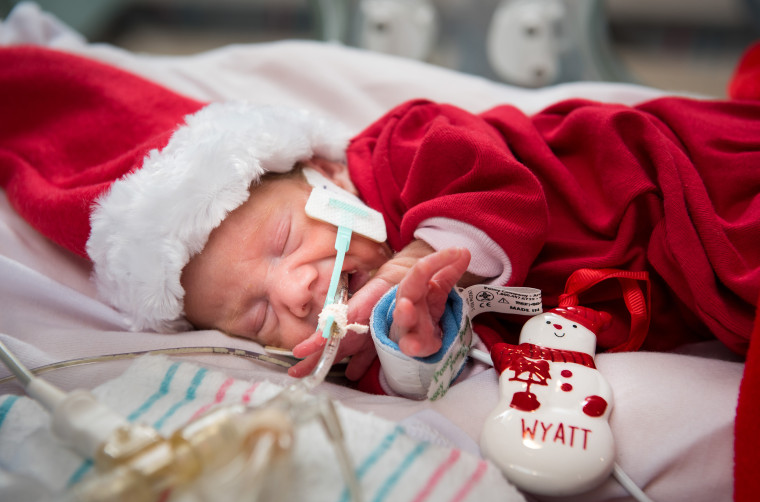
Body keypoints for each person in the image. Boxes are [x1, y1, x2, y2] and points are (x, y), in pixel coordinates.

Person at [1, 45, 759, 399]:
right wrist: (411, 347)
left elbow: (497, 182)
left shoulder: (401, 150)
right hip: (647, 297)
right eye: (258, 314)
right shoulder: (359, 333)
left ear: (328, 179)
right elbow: (443, 362)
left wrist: (423, 254)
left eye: (284, 242)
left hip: (665, 188)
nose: (296, 292)